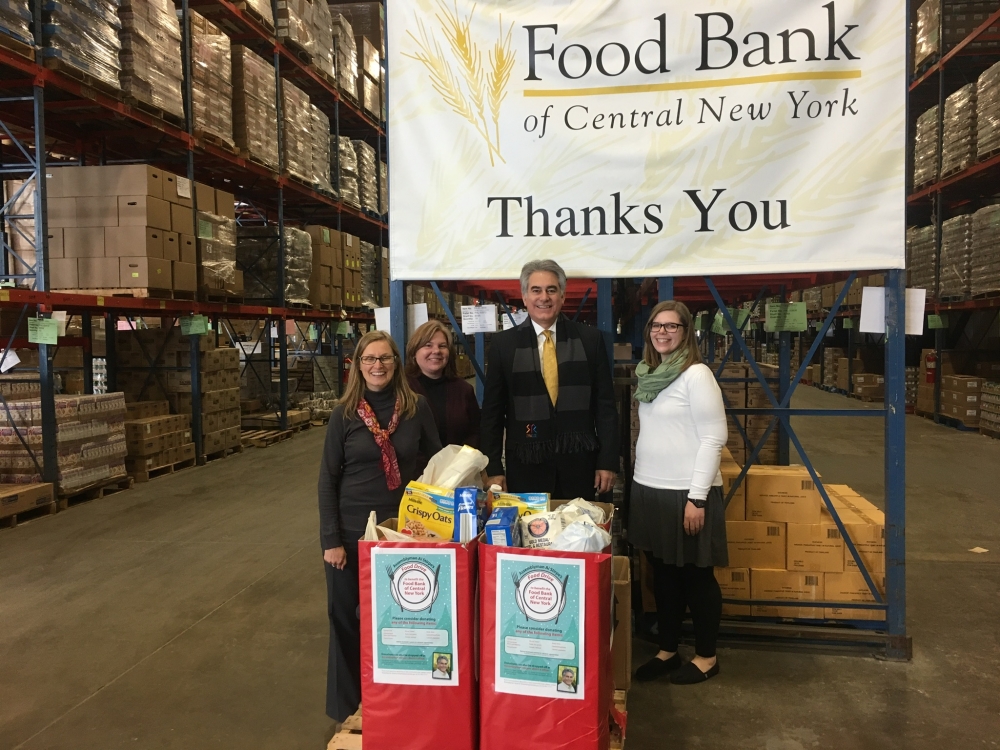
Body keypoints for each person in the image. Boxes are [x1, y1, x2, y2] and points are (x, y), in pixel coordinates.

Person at [318, 330, 442, 721]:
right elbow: (327, 478)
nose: (377, 366)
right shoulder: (345, 413)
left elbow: (437, 462)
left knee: (397, 618)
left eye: (385, 359)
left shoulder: (415, 407)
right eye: (369, 359)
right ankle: (348, 706)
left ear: (396, 364)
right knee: (345, 618)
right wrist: (331, 540)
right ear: (358, 365)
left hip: (399, 532)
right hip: (351, 531)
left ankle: (395, 700)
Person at [628, 300, 729, 685]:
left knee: (697, 578)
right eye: (657, 325)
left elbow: (713, 437)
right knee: (665, 577)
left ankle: (706, 657)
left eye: (673, 326)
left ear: (686, 332)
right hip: (650, 489)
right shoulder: (650, 373)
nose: (663, 332)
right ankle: (667, 650)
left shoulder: (696, 375)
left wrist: (697, 498)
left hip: (686, 494)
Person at [481, 259, 619, 499]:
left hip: (579, 466)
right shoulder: (504, 345)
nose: (544, 297)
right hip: (525, 467)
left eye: (551, 290)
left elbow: (605, 407)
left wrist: (607, 461)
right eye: (536, 290)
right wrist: (493, 468)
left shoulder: (590, 340)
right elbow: (492, 412)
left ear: (562, 296)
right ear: (524, 297)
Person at [405, 320, 481, 466]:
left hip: (457, 473)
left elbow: (475, 432)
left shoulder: (464, 390)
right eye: (428, 345)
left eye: (442, 346)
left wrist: (460, 461)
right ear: (414, 352)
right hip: (414, 478)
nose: (436, 351)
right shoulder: (402, 389)